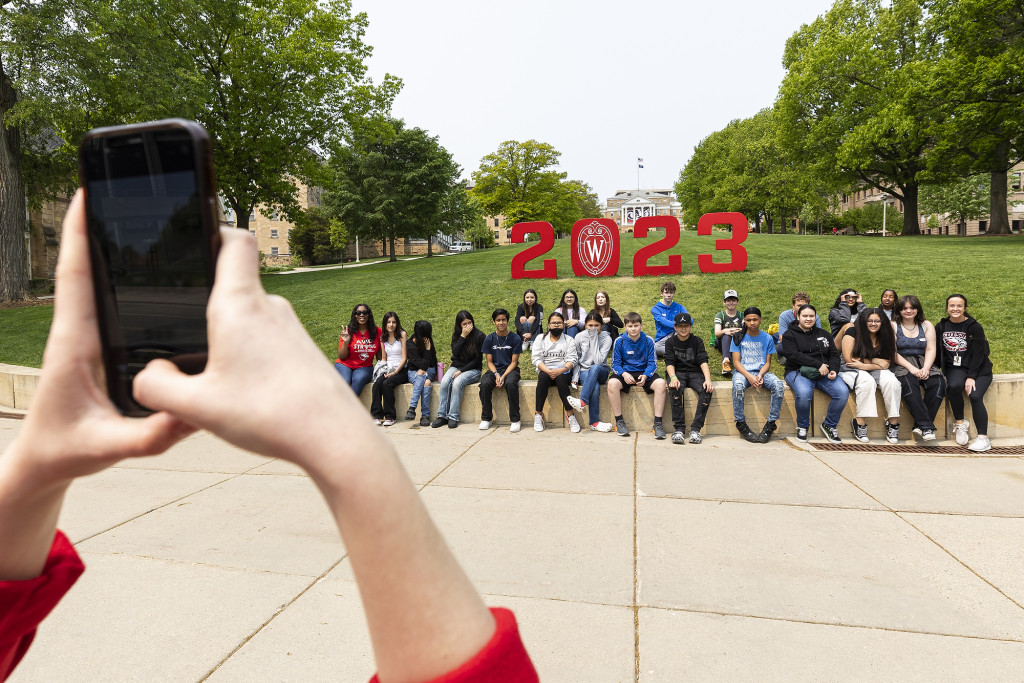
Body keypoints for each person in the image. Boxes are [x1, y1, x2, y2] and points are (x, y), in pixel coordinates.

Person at [0, 191, 537, 682]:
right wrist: (348, 450)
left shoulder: (400, 336)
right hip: (360, 375)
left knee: (391, 379)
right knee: (356, 376)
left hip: (400, 372)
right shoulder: (362, 336)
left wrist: (30, 471)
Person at [781, 304, 850, 443]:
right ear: (798, 317)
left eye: (811, 316)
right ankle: (802, 426)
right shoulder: (790, 335)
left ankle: (829, 425)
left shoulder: (823, 334)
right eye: (805, 316)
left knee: (842, 392)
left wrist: (833, 370)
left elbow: (834, 355)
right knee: (805, 393)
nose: (808, 319)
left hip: (824, 373)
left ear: (815, 317)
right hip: (797, 371)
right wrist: (818, 364)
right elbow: (793, 355)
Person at [935, 294, 994, 452]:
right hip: (957, 367)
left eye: (959, 306)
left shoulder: (974, 327)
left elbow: (978, 354)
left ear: (964, 308)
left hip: (980, 369)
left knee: (974, 395)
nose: (955, 309)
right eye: (952, 306)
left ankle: (983, 438)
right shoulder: (941, 326)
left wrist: (971, 377)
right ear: (947, 308)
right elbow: (936, 351)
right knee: (953, 386)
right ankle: (960, 424)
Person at [840, 308, 901, 444]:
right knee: (867, 382)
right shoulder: (853, 332)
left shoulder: (886, 335)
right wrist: (874, 361)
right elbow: (850, 359)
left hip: (868, 367)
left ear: (882, 322)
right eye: (870, 320)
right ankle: (860, 423)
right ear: (864, 321)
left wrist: (867, 365)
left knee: (892, 382)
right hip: (849, 367)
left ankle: (893, 424)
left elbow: (886, 363)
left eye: (877, 321)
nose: (873, 323)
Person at [891, 295, 945, 442]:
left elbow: (931, 348)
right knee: (909, 386)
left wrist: (926, 368)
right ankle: (927, 427)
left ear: (918, 309)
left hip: (923, 361)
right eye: (905, 308)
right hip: (902, 363)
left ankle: (920, 425)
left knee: (938, 384)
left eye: (912, 308)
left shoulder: (926, 325)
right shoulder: (893, 325)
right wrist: (912, 369)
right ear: (899, 310)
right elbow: (893, 353)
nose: (909, 311)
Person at [607, 312, 668, 439]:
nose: (633, 328)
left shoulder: (648, 340)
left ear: (641, 325)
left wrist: (646, 375)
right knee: (612, 383)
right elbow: (615, 364)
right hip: (626, 373)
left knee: (661, 384)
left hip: (643, 372)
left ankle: (657, 424)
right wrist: (623, 374)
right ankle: (619, 421)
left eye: (636, 325)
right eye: (630, 326)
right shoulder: (619, 341)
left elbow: (652, 363)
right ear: (625, 327)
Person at [730, 307, 786, 443]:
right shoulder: (738, 337)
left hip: (761, 372)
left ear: (760, 320)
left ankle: (771, 424)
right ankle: (740, 423)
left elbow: (767, 363)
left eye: (755, 319)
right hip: (743, 372)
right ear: (745, 321)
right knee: (737, 386)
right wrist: (750, 377)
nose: (752, 323)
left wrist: (760, 375)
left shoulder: (767, 338)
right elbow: (736, 362)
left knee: (778, 385)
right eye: (748, 320)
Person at [664, 312, 714, 444]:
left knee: (707, 390)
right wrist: (673, 378)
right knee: (675, 389)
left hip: (695, 373)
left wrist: (708, 380)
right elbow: (669, 363)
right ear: (675, 327)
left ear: (691, 327)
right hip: (677, 372)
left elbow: (703, 361)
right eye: (680, 326)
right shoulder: (670, 342)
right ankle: (679, 429)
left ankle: (696, 430)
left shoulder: (697, 341)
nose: (683, 329)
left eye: (686, 325)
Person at [432, 310, 486, 429]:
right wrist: (463, 337)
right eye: (464, 324)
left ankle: (453, 416)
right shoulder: (457, 335)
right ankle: (442, 416)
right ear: (459, 325)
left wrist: (462, 371)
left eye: (469, 323)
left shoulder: (480, 336)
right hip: (456, 366)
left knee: (457, 383)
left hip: (473, 370)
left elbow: (477, 360)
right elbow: (455, 354)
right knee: (445, 382)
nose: (467, 326)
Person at [530, 312, 580, 433]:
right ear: (549, 325)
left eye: (559, 323)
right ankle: (538, 414)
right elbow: (536, 359)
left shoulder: (569, 340)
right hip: (546, 370)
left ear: (563, 325)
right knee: (542, 379)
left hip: (563, 371)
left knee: (562, 380)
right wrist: (548, 370)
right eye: (553, 323)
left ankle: (570, 415)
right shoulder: (540, 338)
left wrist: (561, 370)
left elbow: (572, 359)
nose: (556, 325)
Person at [478, 308, 523, 433]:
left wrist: (503, 377)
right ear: (494, 322)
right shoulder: (489, 339)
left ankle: (515, 420)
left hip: (511, 370)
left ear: (507, 321)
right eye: (498, 320)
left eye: (503, 320)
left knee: (511, 384)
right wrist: (496, 374)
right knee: (485, 384)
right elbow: (489, 362)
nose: (501, 322)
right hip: (495, 369)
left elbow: (514, 362)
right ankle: (486, 418)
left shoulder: (515, 338)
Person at [567, 312, 613, 432]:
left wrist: (593, 338)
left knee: (594, 368)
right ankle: (594, 422)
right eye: (590, 325)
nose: (593, 328)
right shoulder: (579, 337)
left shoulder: (606, 338)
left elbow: (598, 361)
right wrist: (575, 378)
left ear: (601, 326)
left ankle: (582, 401)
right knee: (595, 386)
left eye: (596, 325)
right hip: (584, 371)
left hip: (601, 370)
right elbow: (576, 360)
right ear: (585, 325)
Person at [369, 311, 408, 426]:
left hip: (401, 369)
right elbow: (384, 358)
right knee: (377, 384)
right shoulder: (383, 338)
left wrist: (395, 372)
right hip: (388, 368)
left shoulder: (402, 335)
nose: (391, 325)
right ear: (385, 324)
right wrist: (381, 370)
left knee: (387, 384)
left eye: (394, 322)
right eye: (388, 322)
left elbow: (404, 358)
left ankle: (390, 416)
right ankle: (377, 415)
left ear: (397, 323)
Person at [334, 304, 381, 396]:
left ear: (369, 315)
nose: (361, 315)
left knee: (359, 379)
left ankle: (347, 406)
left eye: (364, 312)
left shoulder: (377, 331)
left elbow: (379, 354)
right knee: (345, 380)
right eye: (358, 313)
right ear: (354, 315)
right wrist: (346, 342)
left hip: (365, 366)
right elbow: (342, 356)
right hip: (345, 364)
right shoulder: (348, 331)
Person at [404, 320, 437, 427]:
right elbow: (421, 364)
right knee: (426, 382)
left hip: (430, 370)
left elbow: (432, 360)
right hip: (413, 371)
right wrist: (427, 352)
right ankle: (425, 415)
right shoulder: (410, 345)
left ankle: (412, 408)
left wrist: (427, 350)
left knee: (422, 373)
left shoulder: (428, 341)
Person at [651, 281, 687, 358]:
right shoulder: (655, 309)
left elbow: (690, 320)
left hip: (677, 334)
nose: (669, 295)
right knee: (653, 348)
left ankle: (676, 351)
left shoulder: (680, 307)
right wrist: (680, 325)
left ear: (674, 294)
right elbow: (663, 322)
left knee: (683, 333)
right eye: (666, 293)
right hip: (662, 339)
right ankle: (677, 352)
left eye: (671, 293)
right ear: (661, 293)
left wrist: (680, 327)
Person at [713, 289, 743, 376]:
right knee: (726, 335)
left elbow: (747, 331)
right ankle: (726, 361)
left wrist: (734, 331)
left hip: (738, 341)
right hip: (723, 342)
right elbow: (717, 333)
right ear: (724, 302)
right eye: (728, 300)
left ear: (737, 302)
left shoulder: (742, 315)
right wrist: (725, 331)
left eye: (733, 300)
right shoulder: (720, 315)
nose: (731, 303)